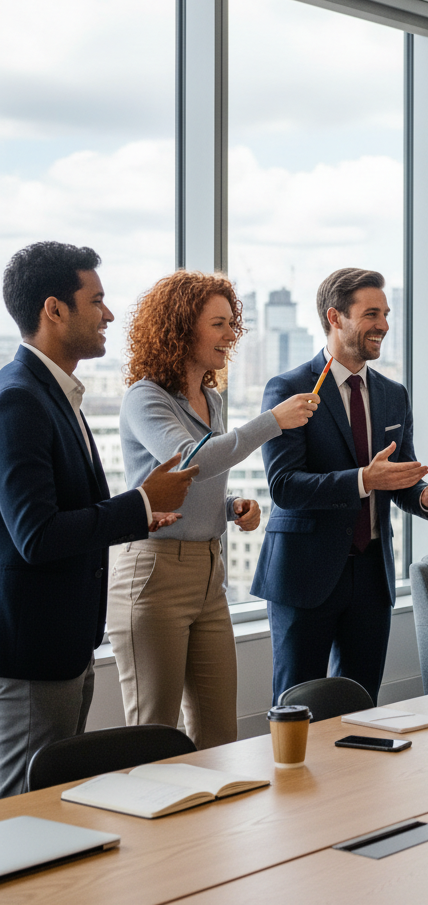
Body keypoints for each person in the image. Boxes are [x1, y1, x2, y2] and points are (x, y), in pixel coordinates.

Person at [0, 242, 196, 797]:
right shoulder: (19, 400)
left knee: (55, 807)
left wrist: (138, 513)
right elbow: (36, 536)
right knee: (24, 814)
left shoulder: (56, 395)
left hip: (67, 645)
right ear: (53, 310)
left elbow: (63, 514)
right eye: (98, 300)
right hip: (33, 653)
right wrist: (138, 503)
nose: (109, 313)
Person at [107, 272, 319, 750]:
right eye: (219, 324)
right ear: (181, 328)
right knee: (153, 737)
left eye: (232, 324)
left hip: (209, 574)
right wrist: (272, 421)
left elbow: (194, 487)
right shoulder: (146, 397)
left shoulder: (213, 399)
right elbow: (190, 462)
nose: (231, 336)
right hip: (153, 573)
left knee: (220, 735)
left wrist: (230, 507)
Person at [252, 268, 428, 704]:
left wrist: (424, 494)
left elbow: (397, 476)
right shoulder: (287, 389)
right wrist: (364, 479)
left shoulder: (393, 394)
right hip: (305, 575)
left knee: (361, 704)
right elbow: (285, 486)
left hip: (371, 576)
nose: (384, 324)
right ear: (335, 317)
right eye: (371, 314)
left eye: (385, 313)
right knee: (296, 708)